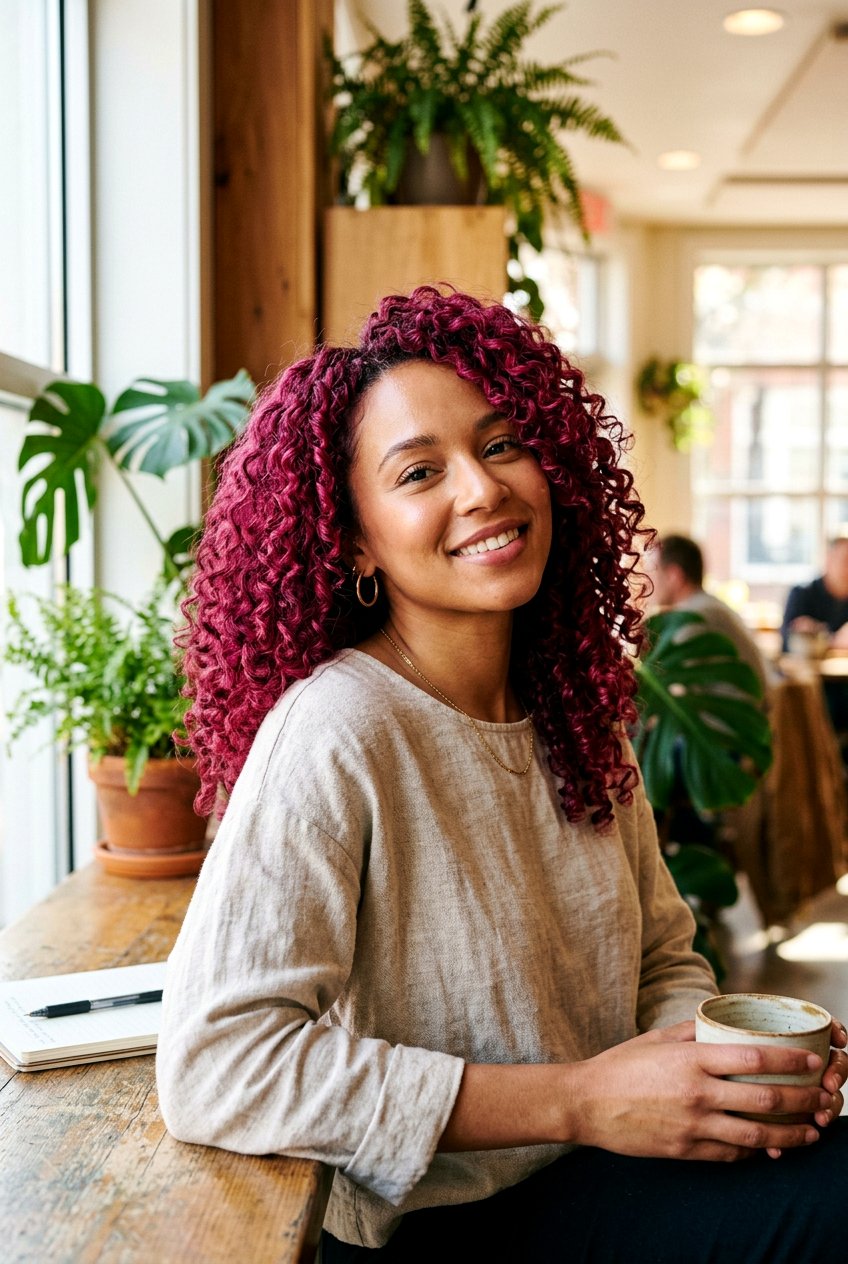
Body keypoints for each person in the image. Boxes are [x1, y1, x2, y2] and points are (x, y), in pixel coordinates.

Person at [156, 288, 848, 1262]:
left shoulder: (577, 711)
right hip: (445, 1223)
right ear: (352, 537)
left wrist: (719, 1074)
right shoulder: (337, 728)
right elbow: (216, 1065)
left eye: (501, 444)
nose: (479, 489)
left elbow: (661, 959)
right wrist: (580, 1099)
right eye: (418, 471)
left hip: (604, 1177)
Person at [644, 534, 774, 696]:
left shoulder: (694, 617)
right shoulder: (712, 607)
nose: (646, 581)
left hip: (724, 719)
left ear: (673, 576)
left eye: (651, 571)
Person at [782, 536, 848, 736]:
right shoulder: (803, 594)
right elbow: (787, 642)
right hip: (813, 685)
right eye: (844, 560)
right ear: (828, 560)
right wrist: (827, 638)